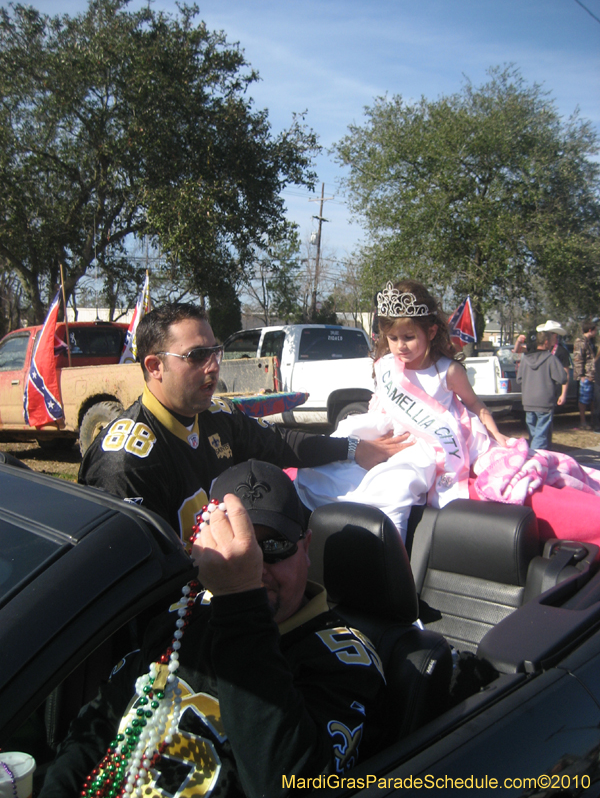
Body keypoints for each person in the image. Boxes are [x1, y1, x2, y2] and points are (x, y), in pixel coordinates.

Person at [40, 461, 387, 798]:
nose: (253, 566)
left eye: (273, 547)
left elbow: (290, 784)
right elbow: (100, 722)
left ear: (306, 548)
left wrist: (240, 598)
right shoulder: (182, 619)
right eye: (231, 546)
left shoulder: (344, 658)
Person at [79, 303, 411, 540]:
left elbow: (283, 445)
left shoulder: (216, 416)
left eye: (216, 352)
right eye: (197, 356)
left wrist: (355, 448)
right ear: (154, 366)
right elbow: (129, 566)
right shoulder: (124, 461)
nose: (213, 367)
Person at [293, 280, 508, 540]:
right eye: (392, 338)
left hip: (426, 444)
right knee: (328, 461)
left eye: (409, 337)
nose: (400, 346)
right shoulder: (386, 365)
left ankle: (390, 551)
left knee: (396, 488)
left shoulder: (447, 371)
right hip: (390, 430)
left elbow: (474, 404)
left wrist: (496, 434)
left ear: (430, 332)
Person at [516, 331, 568, 450]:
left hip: (528, 401)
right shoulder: (550, 359)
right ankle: (535, 457)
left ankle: (542, 457)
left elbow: (519, 379)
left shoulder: (525, 359)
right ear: (546, 342)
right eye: (551, 342)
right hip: (544, 401)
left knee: (534, 434)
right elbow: (562, 378)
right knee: (541, 435)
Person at [535, 320, 570, 408]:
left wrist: (563, 394)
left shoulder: (562, 351)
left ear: (555, 335)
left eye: (548, 333)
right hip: (539, 388)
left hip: (552, 390)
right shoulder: (540, 348)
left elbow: (566, 374)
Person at [573, 320, 596, 430]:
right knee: (583, 399)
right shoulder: (580, 341)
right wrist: (581, 375)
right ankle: (583, 421)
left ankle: (592, 420)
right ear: (590, 330)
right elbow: (578, 359)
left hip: (592, 375)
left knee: (592, 399)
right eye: (596, 330)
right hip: (585, 375)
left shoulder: (590, 342)